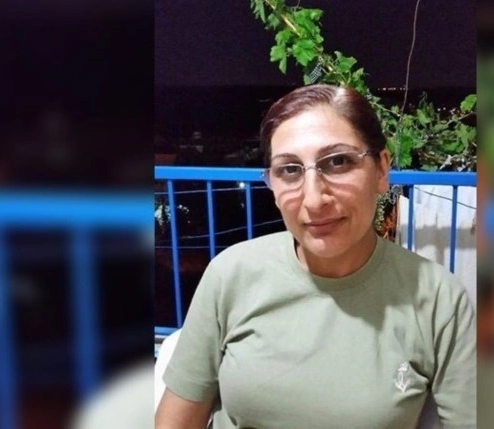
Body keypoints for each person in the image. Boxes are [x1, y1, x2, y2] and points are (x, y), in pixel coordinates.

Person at [155, 84, 476, 428]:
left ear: (381, 170)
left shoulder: (437, 298)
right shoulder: (231, 274)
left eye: (338, 162)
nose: (313, 200)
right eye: (290, 169)